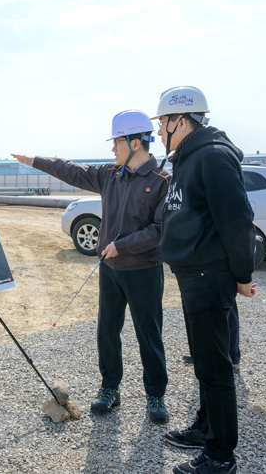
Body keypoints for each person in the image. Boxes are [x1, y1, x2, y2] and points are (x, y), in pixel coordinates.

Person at [12, 109, 172, 422]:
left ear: (136, 143)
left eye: (117, 143)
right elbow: (72, 170)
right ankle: (110, 388)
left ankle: (155, 395)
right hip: (110, 271)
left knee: (149, 335)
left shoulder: (162, 181)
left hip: (144, 271)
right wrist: (36, 161)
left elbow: (159, 230)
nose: (113, 149)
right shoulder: (111, 175)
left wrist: (121, 246)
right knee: (107, 331)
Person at [151, 86, 257, 474]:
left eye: (163, 124)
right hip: (193, 274)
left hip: (209, 275)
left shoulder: (212, 156)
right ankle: (205, 427)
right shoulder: (188, 158)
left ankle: (219, 455)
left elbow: (237, 220)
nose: (160, 132)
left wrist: (242, 275)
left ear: (180, 119)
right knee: (204, 362)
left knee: (215, 368)